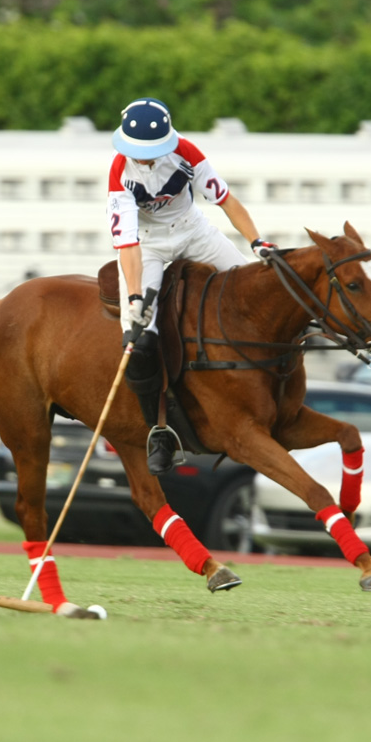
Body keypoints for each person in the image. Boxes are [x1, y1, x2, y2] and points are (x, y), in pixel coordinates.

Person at [107, 96, 276, 475]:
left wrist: (256, 241)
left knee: (251, 287)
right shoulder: (119, 173)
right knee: (140, 339)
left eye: (151, 153)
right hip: (147, 245)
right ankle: (159, 432)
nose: (145, 160)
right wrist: (135, 297)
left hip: (192, 230)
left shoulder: (186, 152)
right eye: (139, 153)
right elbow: (129, 245)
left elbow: (226, 201)